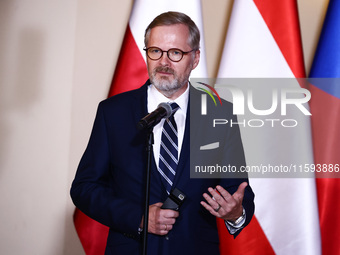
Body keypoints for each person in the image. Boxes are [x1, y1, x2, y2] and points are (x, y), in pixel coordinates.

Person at [71, 11, 255, 255]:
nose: (164, 62)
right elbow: (84, 187)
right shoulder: (113, 112)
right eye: (155, 51)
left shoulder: (220, 114)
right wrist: (139, 218)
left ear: (195, 58)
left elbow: (239, 192)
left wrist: (236, 213)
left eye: (176, 53)